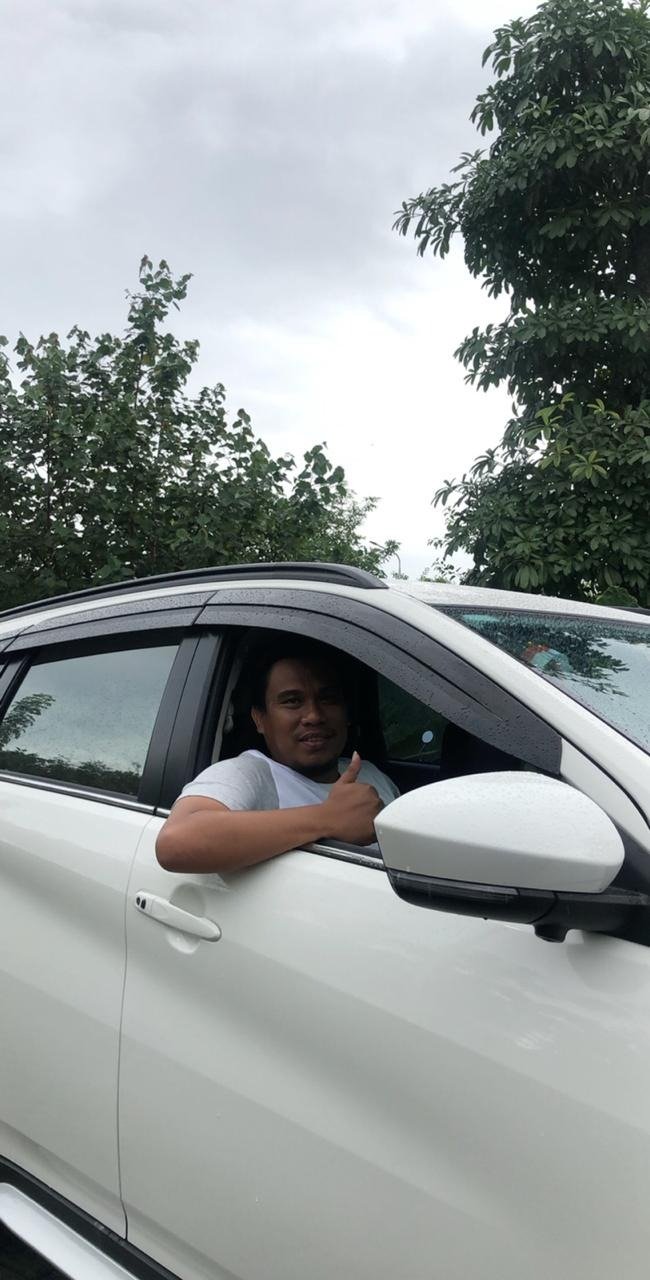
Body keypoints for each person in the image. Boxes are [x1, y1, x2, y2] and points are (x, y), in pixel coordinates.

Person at [156, 638, 399, 874]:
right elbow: (175, 841)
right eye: (292, 701)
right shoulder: (251, 773)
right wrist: (328, 818)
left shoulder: (369, 774)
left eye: (328, 699)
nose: (314, 715)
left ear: (347, 712)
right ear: (259, 719)